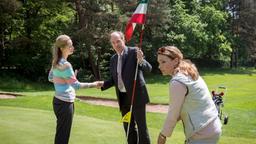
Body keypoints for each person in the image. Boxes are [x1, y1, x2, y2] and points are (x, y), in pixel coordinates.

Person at [156, 46, 222, 144]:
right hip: (212, 125)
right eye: (159, 62)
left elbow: (173, 113)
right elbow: (180, 111)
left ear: (175, 61)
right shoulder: (188, 72)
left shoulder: (177, 81)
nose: (159, 66)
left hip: (201, 132)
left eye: (163, 62)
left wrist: (163, 135)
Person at [48, 34, 101, 144]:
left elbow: (51, 78)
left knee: (61, 133)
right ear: (62, 48)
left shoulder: (55, 62)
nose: (72, 48)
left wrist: (67, 80)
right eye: (70, 46)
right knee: (63, 136)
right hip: (65, 103)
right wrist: (94, 84)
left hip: (57, 102)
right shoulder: (66, 65)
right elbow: (76, 85)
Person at [100, 31, 152, 144]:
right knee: (128, 127)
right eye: (113, 43)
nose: (116, 44)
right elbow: (114, 79)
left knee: (142, 128)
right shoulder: (113, 59)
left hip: (137, 97)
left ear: (123, 40)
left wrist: (141, 60)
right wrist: (103, 84)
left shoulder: (134, 51)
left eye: (118, 41)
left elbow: (148, 69)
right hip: (123, 100)